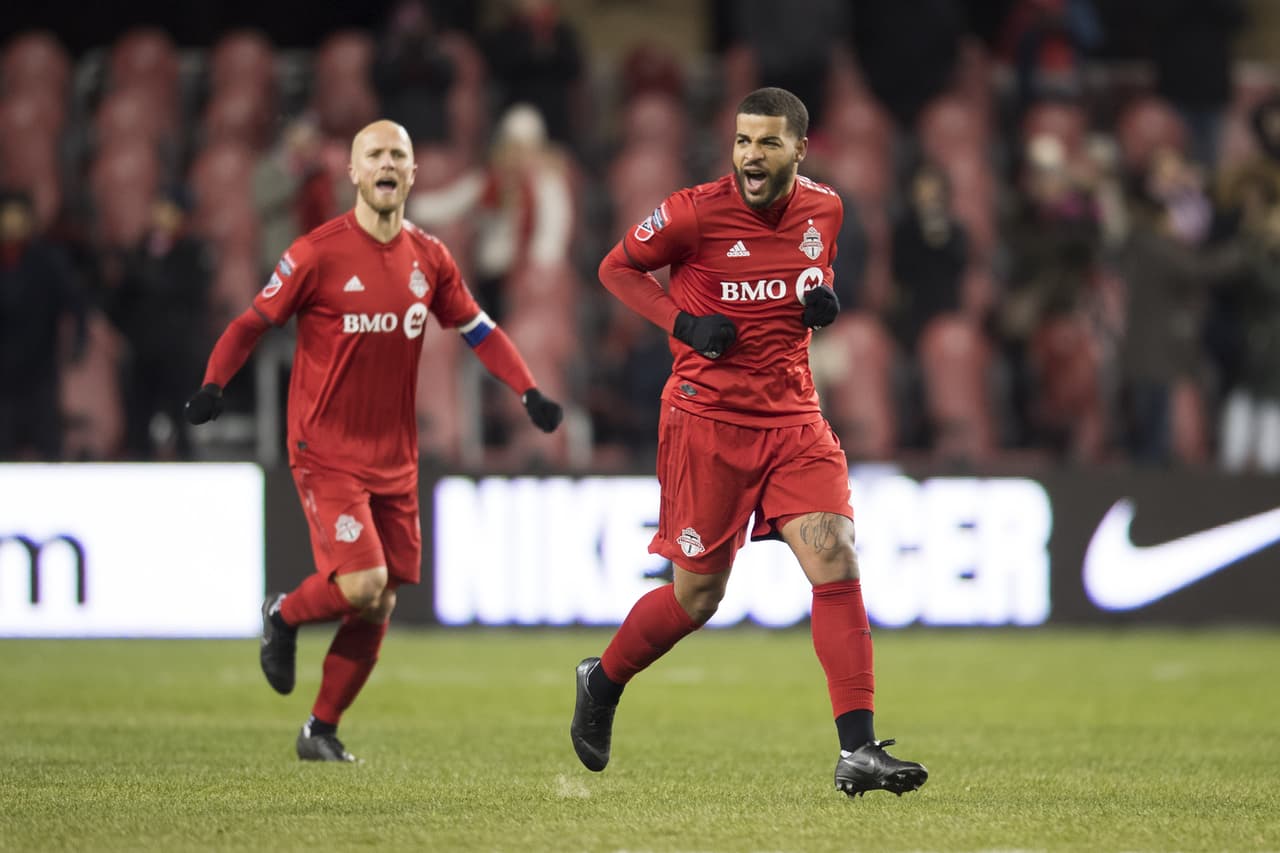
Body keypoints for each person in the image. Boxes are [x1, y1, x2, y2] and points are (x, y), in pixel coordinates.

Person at [571, 87, 928, 798]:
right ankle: (602, 680)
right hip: (707, 423)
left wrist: (821, 303)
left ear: (800, 149)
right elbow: (615, 268)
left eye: (767, 142)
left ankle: (858, 749)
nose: (751, 156)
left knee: (835, 557)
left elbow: (807, 281)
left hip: (794, 420)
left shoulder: (826, 209)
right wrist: (683, 325)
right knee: (697, 597)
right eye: (742, 141)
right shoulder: (692, 212)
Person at [184, 120, 564, 762]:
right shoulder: (316, 253)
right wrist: (214, 384)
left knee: (379, 600)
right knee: (363, 584)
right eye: (374, 155)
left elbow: (479, 331)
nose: (387, 164)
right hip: (326, 449)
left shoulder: (430, 257)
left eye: (398, 155)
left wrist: (528, 391)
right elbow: (251, 323)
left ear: (412, 174)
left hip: (395, 457)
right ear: (354, 173)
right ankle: (282, 614)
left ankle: (320, 729)